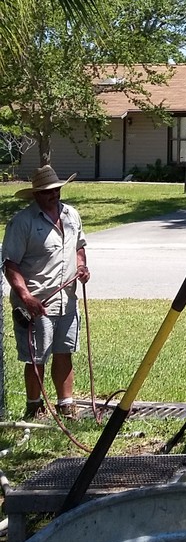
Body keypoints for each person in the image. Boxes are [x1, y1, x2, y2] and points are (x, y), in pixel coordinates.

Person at [2, 166, 90, 419]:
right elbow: (10, 264)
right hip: (37, 303)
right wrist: (26, 297)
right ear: (36, 194)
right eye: (48, 191)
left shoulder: (72, 215)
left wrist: (82, 267)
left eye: (57, 189)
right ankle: (34, 406)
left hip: (68, 300)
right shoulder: (22, 223)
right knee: (36, 357)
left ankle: (67, 405)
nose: (55, 194)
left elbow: (79, 247)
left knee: (64, 352)